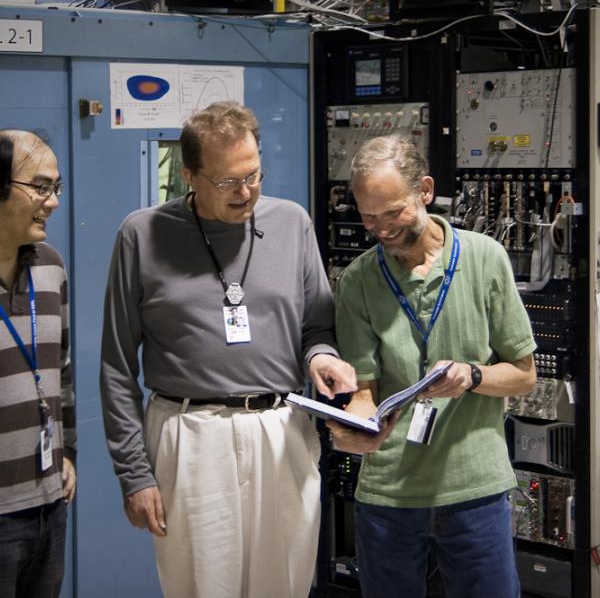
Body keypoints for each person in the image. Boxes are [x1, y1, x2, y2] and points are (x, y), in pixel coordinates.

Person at [100, 101, 356, 598]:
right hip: (190, 432)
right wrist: (134, 473)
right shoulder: (142, 233)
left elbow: (317, 328)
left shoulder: (292, 223)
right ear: (189, 175)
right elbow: (115, 365)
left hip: (280, 429)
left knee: (284, 585)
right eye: (227, 183)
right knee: (202, 587)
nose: (245, 193)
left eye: (254, 176)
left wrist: (320, 358)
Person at [330, 135, 537, 598]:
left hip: (475, 488)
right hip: (389, 493)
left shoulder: (485, 258)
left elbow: (524, 375)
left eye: (393, 212)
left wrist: (474, 375)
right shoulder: (359, 280)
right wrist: (354, 424)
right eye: (368, 216)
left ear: (425, 189)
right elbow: (364, 390)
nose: (381, 229)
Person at [0, 129, 76, 598]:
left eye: (56, 188)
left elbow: (61, 370)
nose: (52, 202)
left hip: (48, 503)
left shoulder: (51, 265)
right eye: (41, 187)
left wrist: (69, 453)